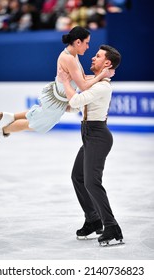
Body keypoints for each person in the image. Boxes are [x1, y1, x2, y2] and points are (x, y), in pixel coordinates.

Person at [0, 26, 113, 144]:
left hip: (58, 98)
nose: (88, 46)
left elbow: (82, 78)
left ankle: (3, 116)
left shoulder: (73, 55)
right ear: (78, 42)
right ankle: (0, 128)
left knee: (37, 115)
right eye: (86, 43)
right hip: (57, 101)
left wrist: (102, 76)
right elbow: (83, 86)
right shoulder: (69, 58)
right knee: (35, 124)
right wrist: (101, 75)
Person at [58, 44, 124, 246]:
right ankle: (93, 219)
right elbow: (75, 106)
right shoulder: (92, 82)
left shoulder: (102, 86)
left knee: (91, 182)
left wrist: (65, 81)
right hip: (88, 134)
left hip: (98, 136)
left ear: (107, 63)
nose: (93, 58)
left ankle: (111, 226)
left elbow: (77, 101)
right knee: (77, 177)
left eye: (98, 56)